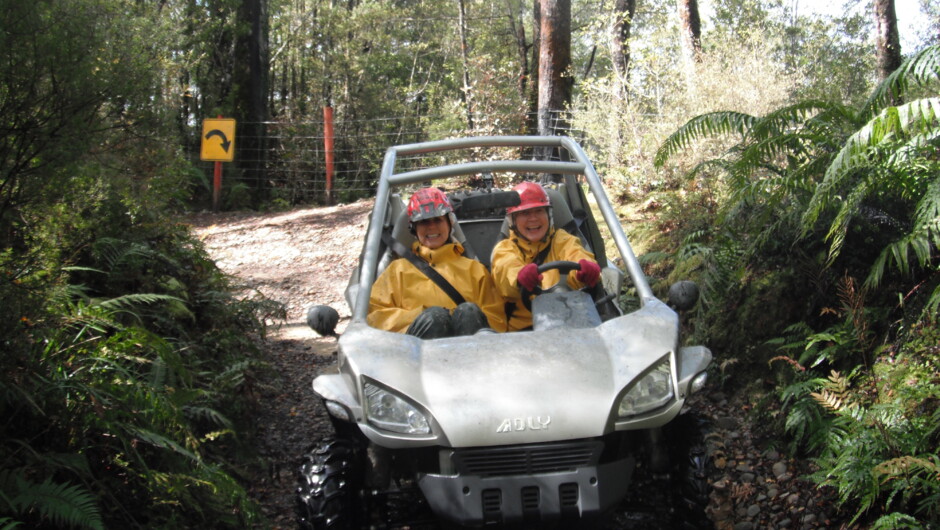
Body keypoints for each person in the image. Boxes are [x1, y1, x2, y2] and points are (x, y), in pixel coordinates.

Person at [368, 187, 507, 338]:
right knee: (434, 317)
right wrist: (423, 316)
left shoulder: (474, 270)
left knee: (469, 312)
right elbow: (376, 315)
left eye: (438, 219)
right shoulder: (397, 270)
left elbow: (497, 319)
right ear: (414, 229)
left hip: (471, 352)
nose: (432, 227)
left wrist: (460, 319)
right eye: (424, 222)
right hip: (416, 353)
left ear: (449, 223)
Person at [490, 181, 601, 331]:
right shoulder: (505, 248)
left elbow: (576, 253)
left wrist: (584, 269)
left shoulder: (562, 239)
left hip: (571, 318)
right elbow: (505, 269)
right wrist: (519, 277)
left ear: (548, 215)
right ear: (513, 221)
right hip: (525, 329)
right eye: (525, 213)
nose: (533, 218)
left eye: (539, 211)